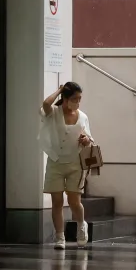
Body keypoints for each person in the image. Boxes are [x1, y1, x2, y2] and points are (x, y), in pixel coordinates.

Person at [38, 82, 93, 250]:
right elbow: (46, 103)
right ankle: (60, 236)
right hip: (55, 162)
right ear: (66, 99)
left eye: (79, 99)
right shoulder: (53, 113)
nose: (77, 102)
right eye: (75, 98)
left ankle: (81, 226)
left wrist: (86, 140)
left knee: (74, 200)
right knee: (56, 201)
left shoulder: (82, 116)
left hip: (75, 163)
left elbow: (90, 138)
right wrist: (60, 89)